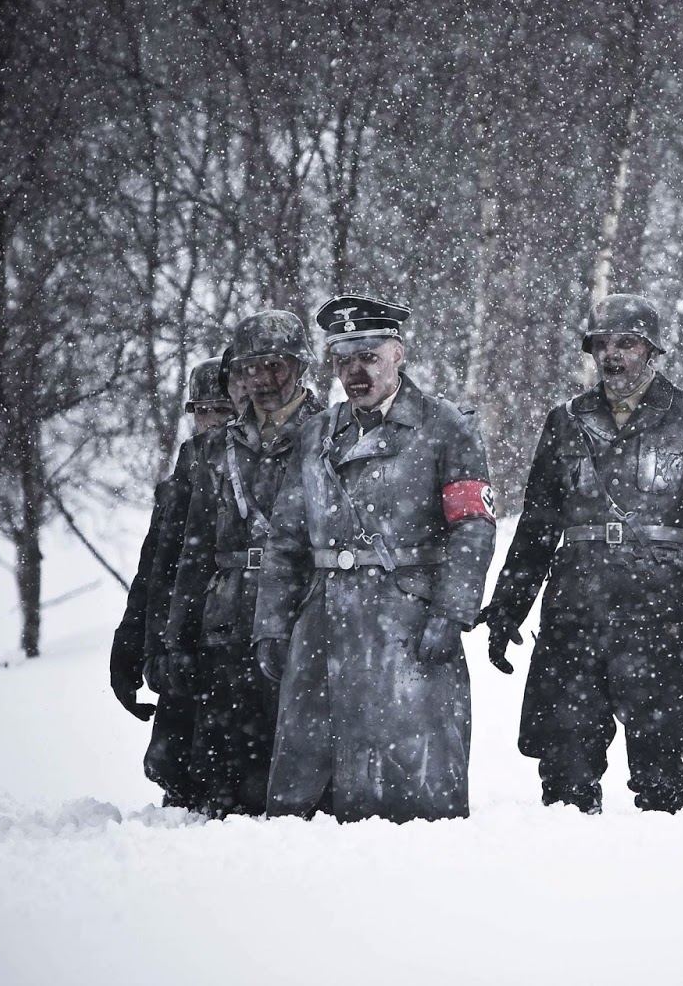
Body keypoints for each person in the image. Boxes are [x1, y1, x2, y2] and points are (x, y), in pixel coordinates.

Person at [478, 293, 683, 814]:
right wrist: (509, 606)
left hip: (662, 607)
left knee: (662, 770)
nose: (612, 355)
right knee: (565, 768)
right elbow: (536, 528)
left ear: (652, 349)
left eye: (626, 343)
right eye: (602, 344)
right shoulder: (564, 421)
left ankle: (664, 861)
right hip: (577, 605)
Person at [254, 294, 496, 822]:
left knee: (412, 786)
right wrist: (271, 624)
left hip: (407, 621)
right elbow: (286, 539)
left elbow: (473, 527)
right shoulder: (316, 434)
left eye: (368, 357)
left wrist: (451, 612)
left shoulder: (444, 425)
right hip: (322, 623)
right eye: (343, 360)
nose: (355, 372)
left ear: (397, 355)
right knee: (308, 795)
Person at [155, 310, 323, 816]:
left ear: (300, 366)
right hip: (226, 616)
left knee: (301, 754)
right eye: (251, 368)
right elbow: (193, 553)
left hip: (301, 612)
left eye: (276, 365)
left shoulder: (329, 435)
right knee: (222, 767)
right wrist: (176, 639)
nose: (263, 379)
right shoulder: (213, 449)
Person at [110, 355, 235, 807]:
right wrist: (129, 647)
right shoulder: (182, 476)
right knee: (175, 772)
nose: (211, 421)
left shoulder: (249, 475)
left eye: (222, 410)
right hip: (178, 650)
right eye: (203, 410)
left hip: (227, 648)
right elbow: (153, 571)